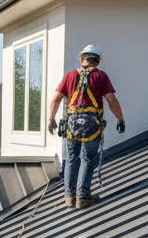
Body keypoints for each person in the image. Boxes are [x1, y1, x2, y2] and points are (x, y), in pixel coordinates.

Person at [48, 44, 125, 209]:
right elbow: (111, 100)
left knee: (71, 160)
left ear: (81, 59)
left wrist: (51, 119)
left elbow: (56, 99)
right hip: (92, 125)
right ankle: (83, 196)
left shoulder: (69, 76)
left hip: (72, 125)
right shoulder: (101, 76)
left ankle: (69, 197)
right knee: (88, 159)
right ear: (97, 61)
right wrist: (120, 119)